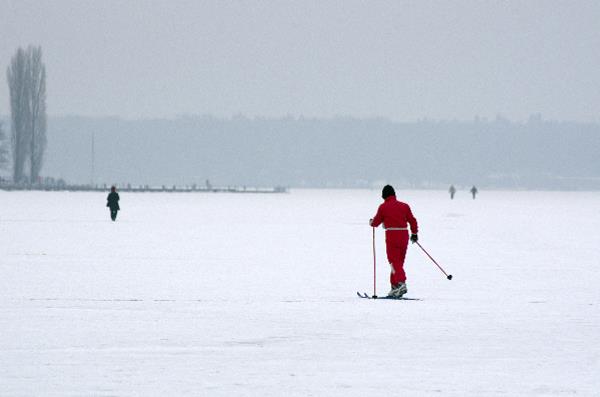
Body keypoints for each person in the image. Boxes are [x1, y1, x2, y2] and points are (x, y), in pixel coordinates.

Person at [369, 185, 419, 298]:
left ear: (384, 196)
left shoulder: (383, 207)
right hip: (404, 235)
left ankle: (401, 283)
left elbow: (376, 222)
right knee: (398, 263)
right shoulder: (404, 206)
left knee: (393, 262)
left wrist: (371, 222)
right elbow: (412, 220)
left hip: (392, 236)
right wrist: (414, 234)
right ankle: (395, 287)